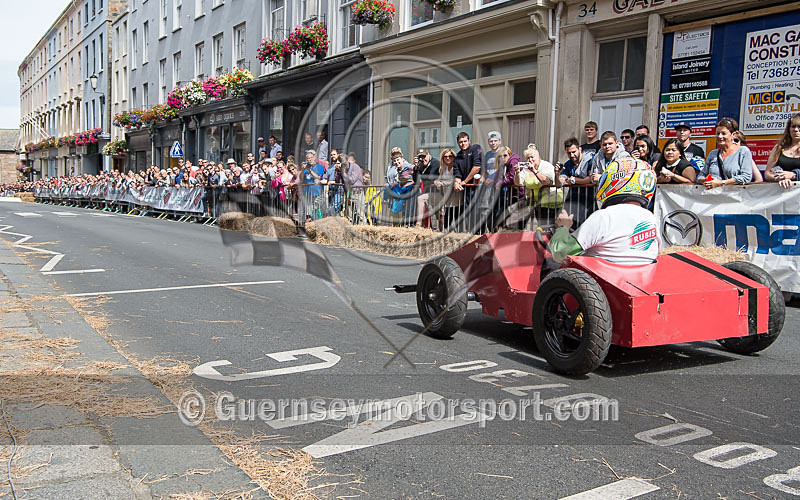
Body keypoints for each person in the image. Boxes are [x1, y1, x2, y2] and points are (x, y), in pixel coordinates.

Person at [549, 157, 659, 265]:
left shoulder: (604, 217)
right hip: (640, 279)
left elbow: (560, 252)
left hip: (604, 279)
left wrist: (562, 227)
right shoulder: (651, 218)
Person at [765, 113, 800, 189]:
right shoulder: (779, 148)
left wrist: (794, 175)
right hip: (781, 194)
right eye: (793, 126)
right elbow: (767, 173)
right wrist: (779, 178)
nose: (796, 130)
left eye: (799, 127)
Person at [434, 148, 463, 229]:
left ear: (454, 157)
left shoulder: (456, 167)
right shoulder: (443, 168)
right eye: (445, 156)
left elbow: (455, 180)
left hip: (457, 198)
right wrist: (437, 183)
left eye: (450, 156)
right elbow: (438, 179)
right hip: (447, 199)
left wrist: (442, 183)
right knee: (447, 222)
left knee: (458, 221)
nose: (448, 158)